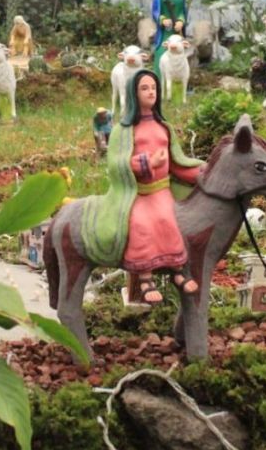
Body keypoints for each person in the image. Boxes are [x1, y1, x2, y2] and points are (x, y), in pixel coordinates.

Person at [81, 69, 203, 304]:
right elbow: (117, 164)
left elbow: (177, 161)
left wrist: (201, 173)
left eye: (154, 88)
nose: (151, 92)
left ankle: (178, 270)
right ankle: (145, 278)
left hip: (162, 190)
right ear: (134, 94)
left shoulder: (164, 127)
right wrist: (148, 162)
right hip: (137, 193)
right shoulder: (123, 130)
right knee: (140, 223)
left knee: (171, 218)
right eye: (144, 88)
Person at [151, 0, 187, 78]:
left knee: (178, 58)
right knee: (161, 54)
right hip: (164, 34)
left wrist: (181, 21)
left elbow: (182, 12)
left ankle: (176, 82)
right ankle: (159, 81)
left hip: (176, 33)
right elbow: (155, 12)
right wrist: (162, 19)